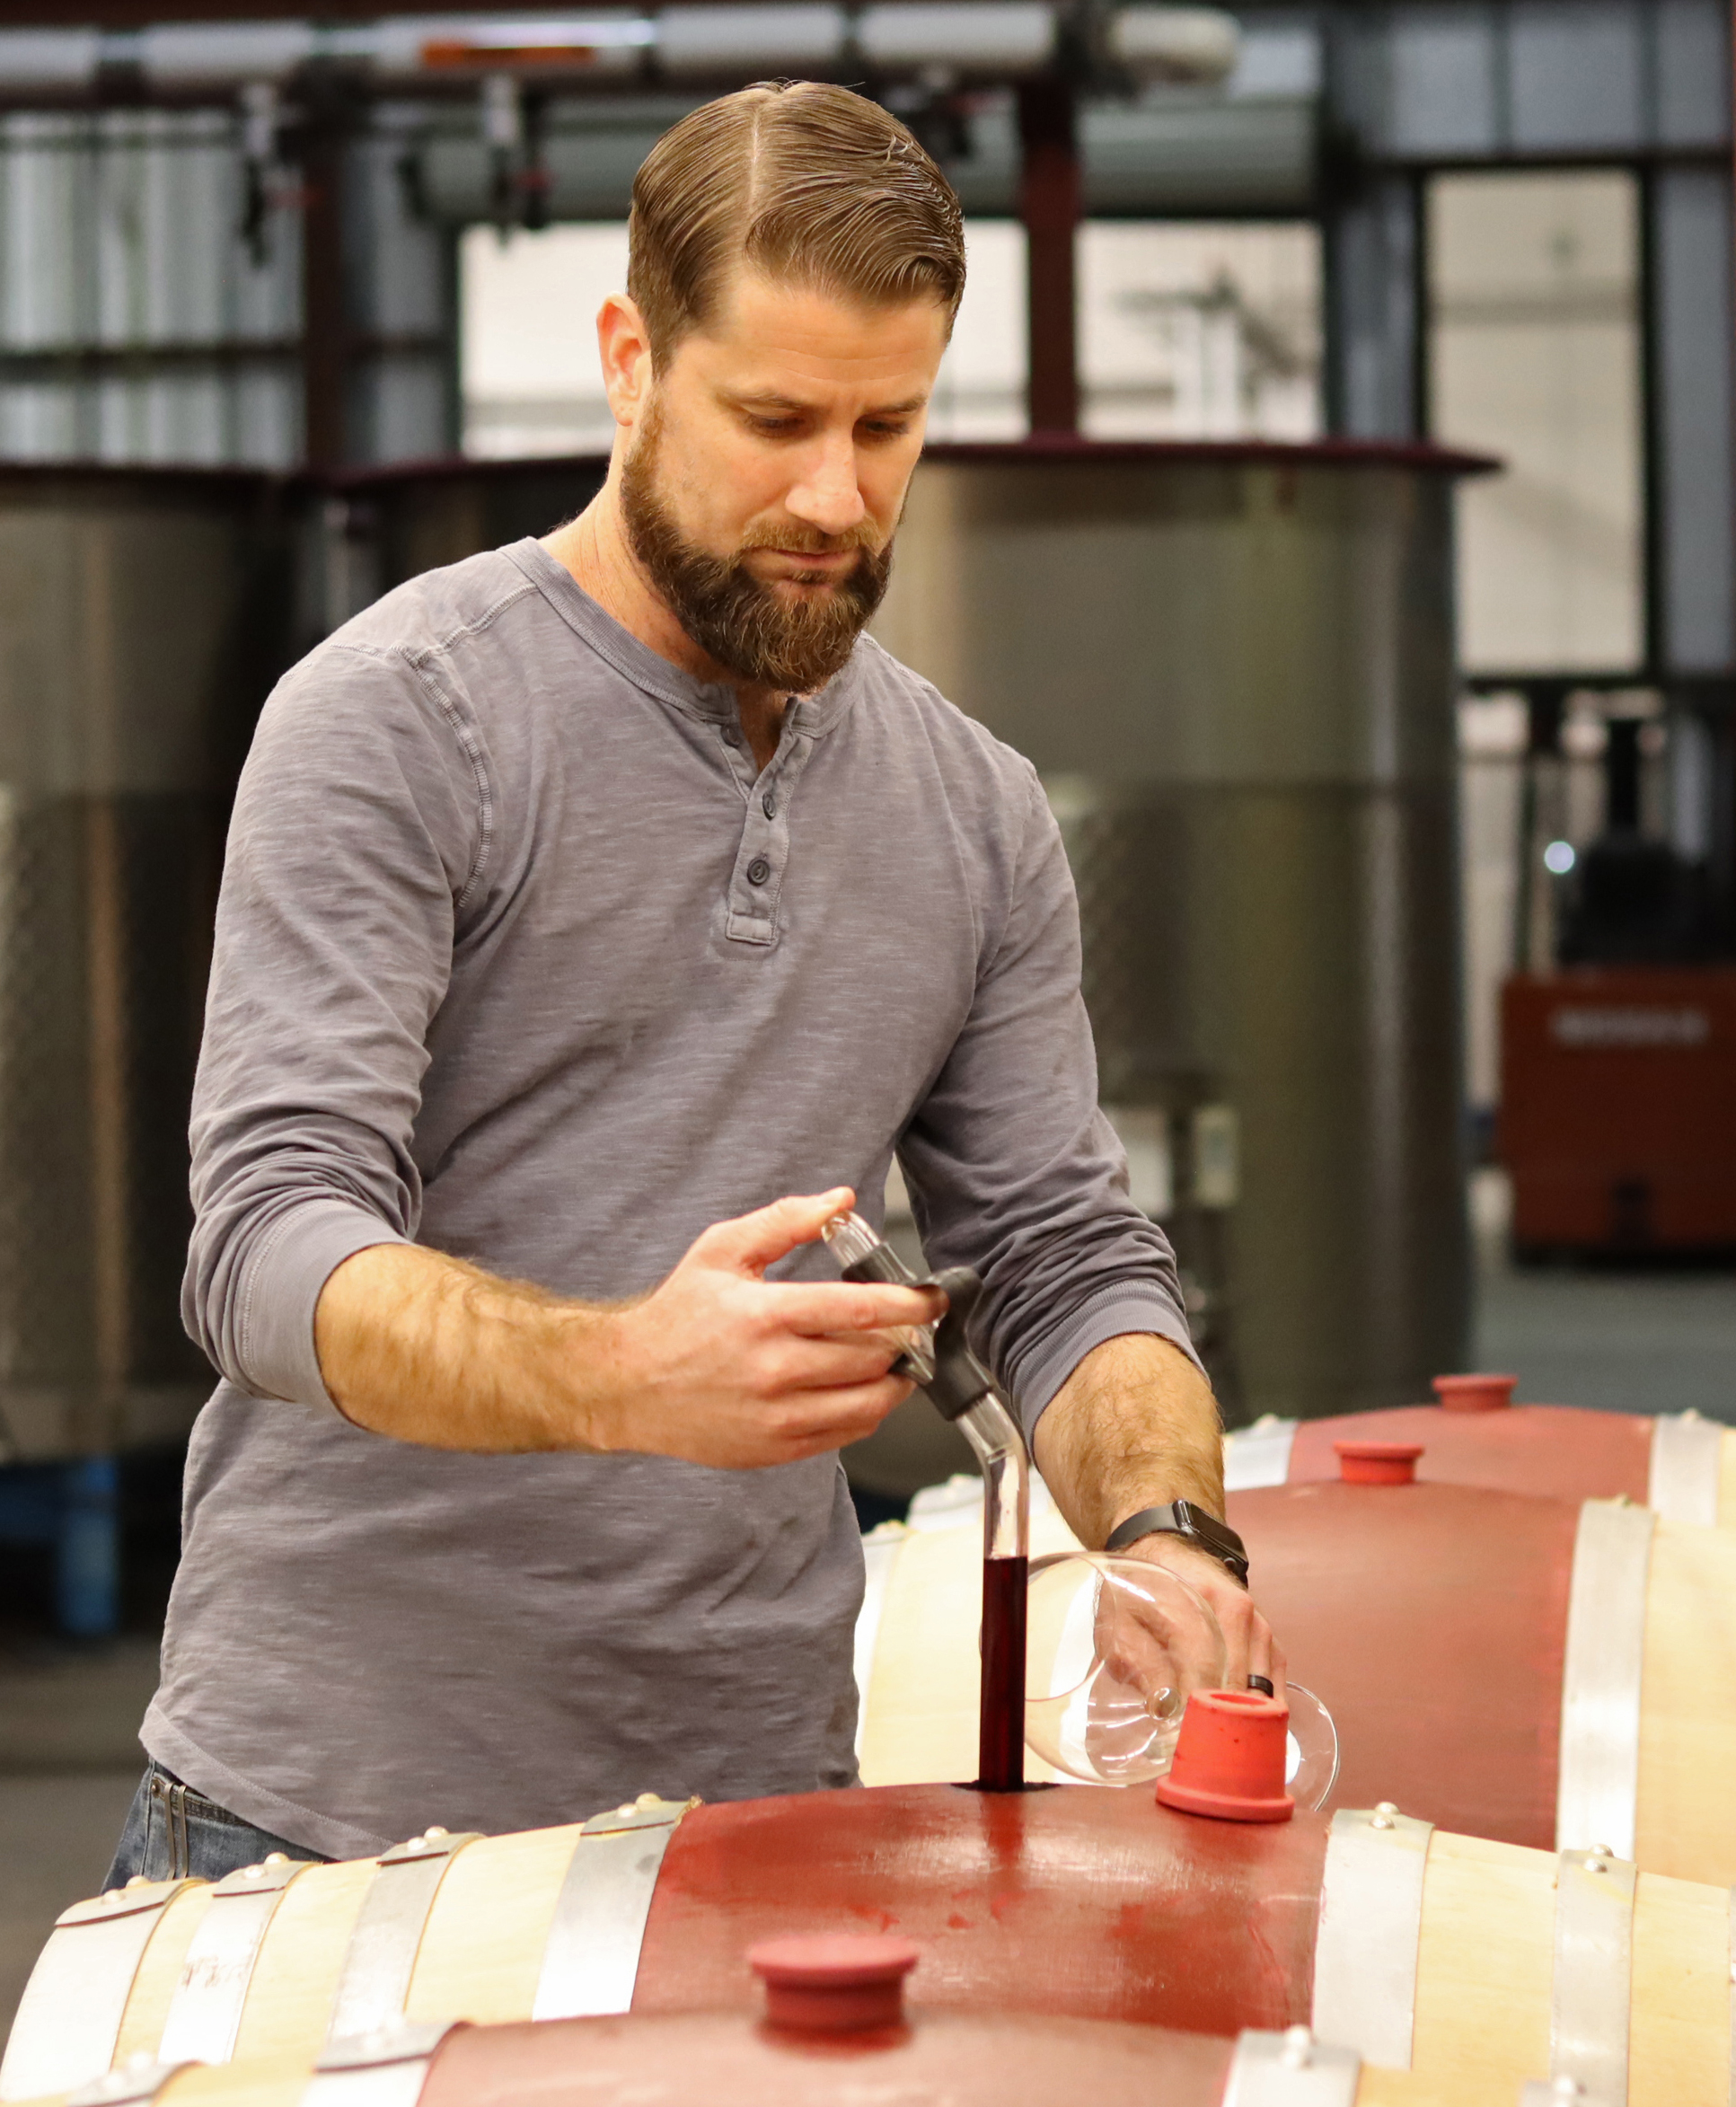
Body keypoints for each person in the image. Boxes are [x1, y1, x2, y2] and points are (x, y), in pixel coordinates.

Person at [111, 81, 1276, 1883]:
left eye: (890, 424)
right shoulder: (400, 720)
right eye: (775, 418)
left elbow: (1057, 1254)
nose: (838, 494)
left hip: (746, 1827)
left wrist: (1174, 1525)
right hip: (321, 1823)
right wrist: (617, 1375)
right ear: (630, 361)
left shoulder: (971, 811)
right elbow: (266, 1247)